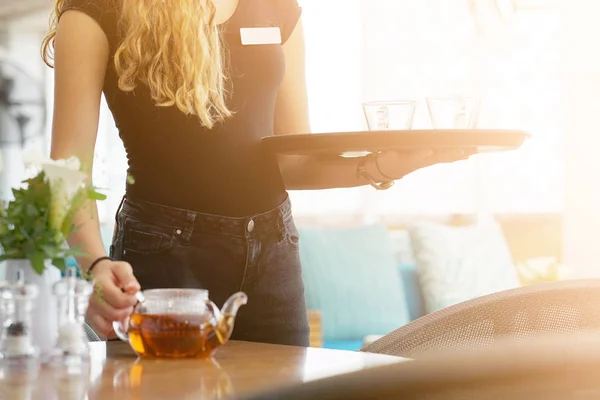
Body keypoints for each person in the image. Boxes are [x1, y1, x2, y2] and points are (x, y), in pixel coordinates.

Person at [42, 0, 472, 346]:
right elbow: (66, 172)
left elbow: (292, 161)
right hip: (163, 256)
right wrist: (95, 265)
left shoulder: (278, 9)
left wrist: (389, 164)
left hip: (273, 251)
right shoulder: (94, 12)